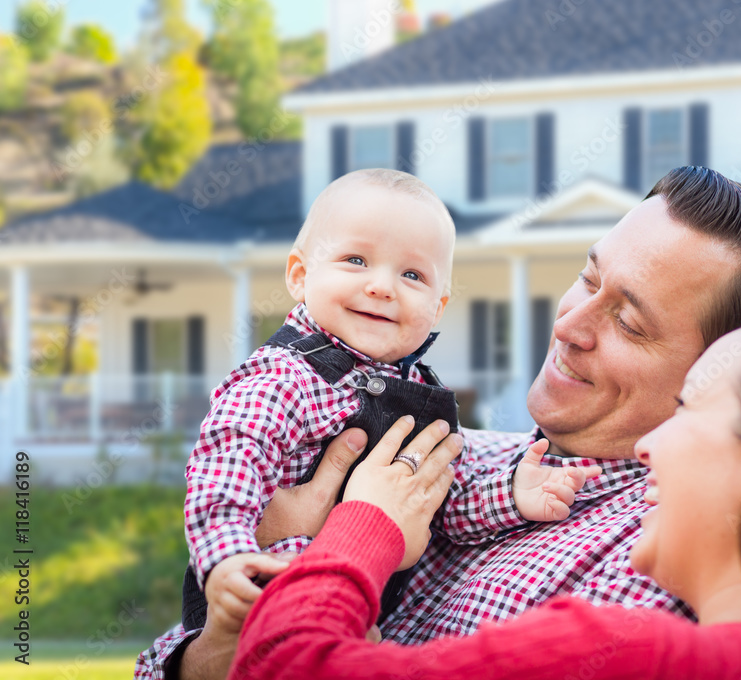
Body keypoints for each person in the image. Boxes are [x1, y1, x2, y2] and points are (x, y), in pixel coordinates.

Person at [137, 166, 741, 679]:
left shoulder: (657, 562)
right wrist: (209, 642)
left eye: (630, 323)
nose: (571, 324)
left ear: (726, 367)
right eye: (588, 281)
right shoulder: (460, 456)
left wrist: (351, 531)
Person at [229, 305, 741, 680]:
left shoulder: (628, 652)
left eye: (688, 409)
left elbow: (286, 666)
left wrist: (361, 525)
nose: (649, 447)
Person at [139, 169, 598, 677]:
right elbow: (226, 470)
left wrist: (511, 494)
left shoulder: (424, 395)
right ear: (299, 275)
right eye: (355, 260)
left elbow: (441, 501)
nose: (381, 287)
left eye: (413, 276)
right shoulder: (285, 377)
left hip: (354, 621)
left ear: (438, 306)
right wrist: (226, 559)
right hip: (263, 592)